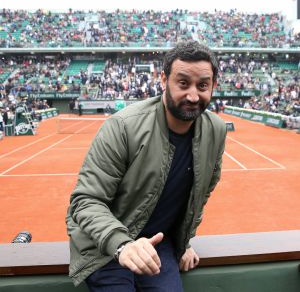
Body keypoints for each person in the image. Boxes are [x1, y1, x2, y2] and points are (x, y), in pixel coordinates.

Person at [66, 41, 227, 291]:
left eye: (202, 85)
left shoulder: (216, 130)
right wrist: (122, 245)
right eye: (183, 83)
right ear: (164, 80)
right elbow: (86, 200)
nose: (193, 95)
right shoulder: (123, 126)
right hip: (105, 245)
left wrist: (184, 242)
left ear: (213, 86)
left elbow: (201, 192)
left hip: (157, 242)